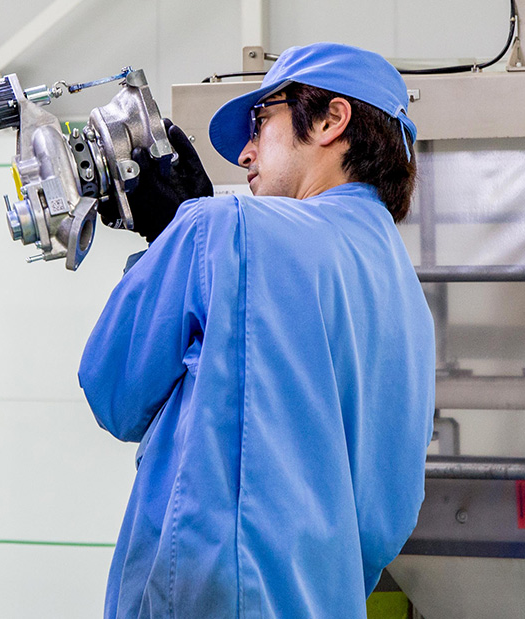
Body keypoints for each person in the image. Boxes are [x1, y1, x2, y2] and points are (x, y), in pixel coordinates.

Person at [78, 42, 436, 618]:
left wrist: (167, 237)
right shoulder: (407, 299)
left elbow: (112, 391)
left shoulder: (219, 230)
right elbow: (385, 517)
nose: (245, 152)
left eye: (260, 121)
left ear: (329, 120)